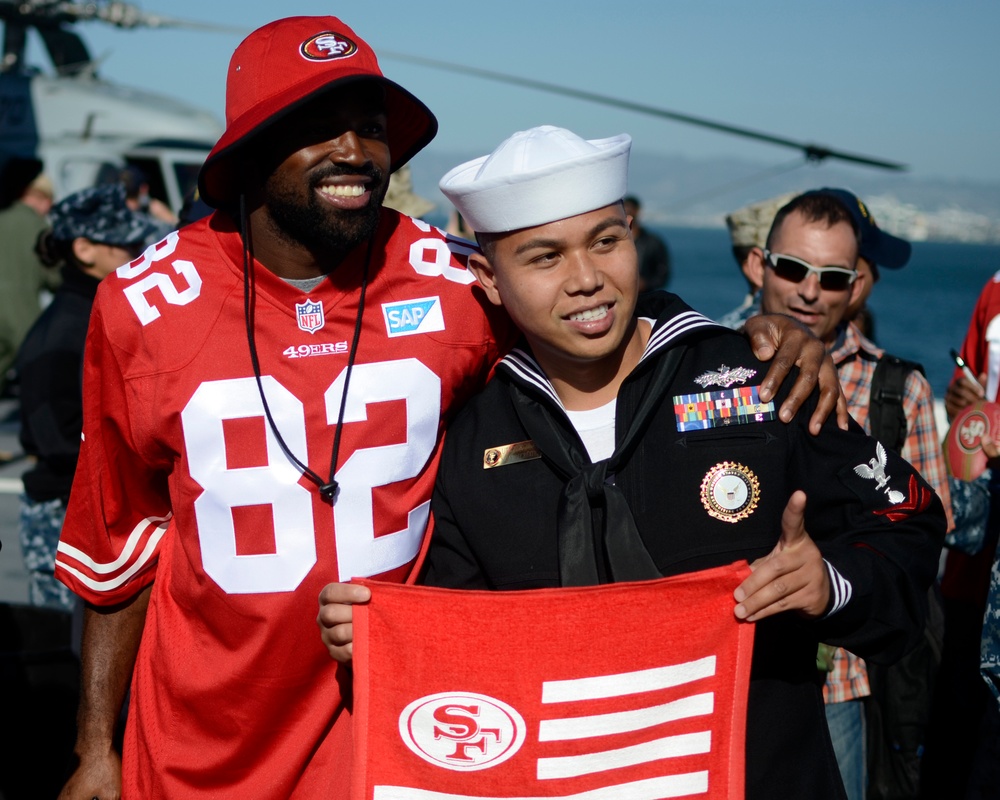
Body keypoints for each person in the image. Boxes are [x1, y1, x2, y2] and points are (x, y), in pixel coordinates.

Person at [54, 17, 838, 800]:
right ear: (251, 149)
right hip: (204, 749)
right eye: (317, 129)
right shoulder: (141, 306)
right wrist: (96, 746)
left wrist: (748, 339)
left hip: (404, 733)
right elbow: (119, 547)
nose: (356, 153)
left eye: (369, 127)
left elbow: (587, 308)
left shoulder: (450, 282)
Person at [319, 126, 946, 800]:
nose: (586, 278)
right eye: (544, 258)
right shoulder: (471, 446)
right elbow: (464, 673)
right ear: (488, 280)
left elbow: (909, 523)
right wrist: (381, 640)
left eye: (606, 241)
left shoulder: (761, 381)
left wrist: (830, 582)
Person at [747, 188, 952, 799]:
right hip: (729, 671)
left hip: (838, 686)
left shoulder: (900, 390)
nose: (810, 291)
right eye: (792, 269)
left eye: (832, 278)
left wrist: (832, 577)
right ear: (759, 266)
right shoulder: (713, 367)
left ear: (857, 288)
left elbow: (922, 547)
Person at [17, 184, 159, 614]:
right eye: (124, 244)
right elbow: (58, 438)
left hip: (88, 511)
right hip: (65, 519)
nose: (136, 253)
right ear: (84, 249)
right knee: (69, 660)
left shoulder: (93, 314)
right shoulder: (63, 332)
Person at [0, 157, 57, 394]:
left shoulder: (2, 216)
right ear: (42, 199)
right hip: (21, 320)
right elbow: (55, 279)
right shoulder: (39, 229)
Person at [717, 192, 794, 330]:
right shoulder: (731, 337)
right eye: (792, 266)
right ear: (758, 266)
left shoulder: (719, 332)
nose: (810, 291)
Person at [624, 194, 670, 290]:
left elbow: (663, 275)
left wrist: (645, 283)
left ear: (637, 211)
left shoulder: (653, 242)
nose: (627, 213)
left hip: (645, 298)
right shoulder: (613, 242)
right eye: (624, 209)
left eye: (630, 209)